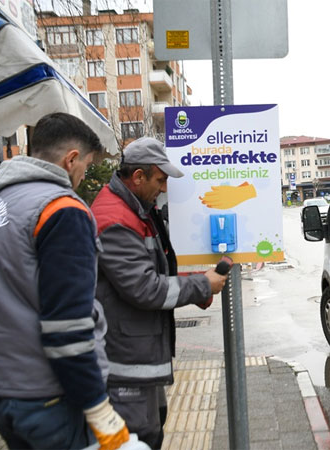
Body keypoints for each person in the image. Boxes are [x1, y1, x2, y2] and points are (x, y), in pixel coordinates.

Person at [0, 113, 129, 449]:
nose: (81, 176)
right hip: (51, 395)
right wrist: (97, 405)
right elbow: (67, 325)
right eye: (85, 165)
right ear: (71, 159)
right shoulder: (61, 210)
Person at [92, 137, 228, 448]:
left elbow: (154, 270)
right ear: (137, 177)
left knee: (152, 430)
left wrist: (200, 283)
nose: (164, 188)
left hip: (137, 356)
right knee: (139, 439)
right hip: (125, 365)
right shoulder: (116, 219)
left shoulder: (135, 209)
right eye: (160, 179)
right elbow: (145, 288)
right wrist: (202, 284)